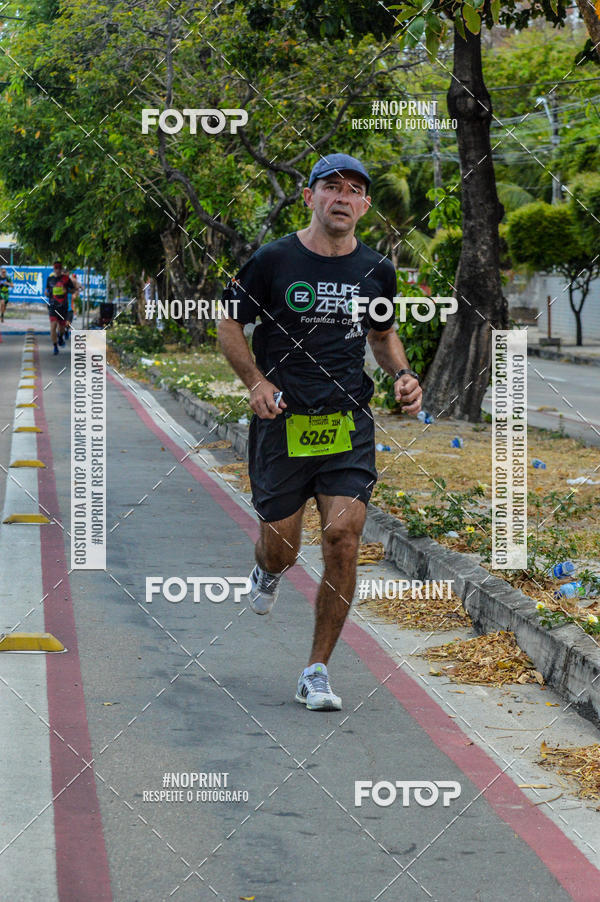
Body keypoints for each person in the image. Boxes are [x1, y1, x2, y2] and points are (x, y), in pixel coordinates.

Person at [218, 152, 422, 712]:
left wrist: (402, 375)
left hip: (347, 421)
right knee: (283, 547)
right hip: (282, 422)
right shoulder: (272, 260)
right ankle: (267, 567)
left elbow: (382, 337)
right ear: (309, 197)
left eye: (354, 190)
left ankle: (316, 670)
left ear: (365, 206)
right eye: (331, 187)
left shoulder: (377, 269)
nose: (343, 197)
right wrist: (255, 381)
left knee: (343, 538)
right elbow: (229, 322)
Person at [46, 260, 75, 354]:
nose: (58, 270)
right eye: (56, 268)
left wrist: (66, 290)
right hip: (52, 306)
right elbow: (46, 291)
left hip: (63, 307)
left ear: (61, 269)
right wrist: (46, 293)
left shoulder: (66, 279)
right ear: (54, 269)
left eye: (59, 268)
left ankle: (60, 337)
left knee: (61, 328)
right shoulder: (50, 279)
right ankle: (55, 346)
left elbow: (73, 290)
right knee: (53, 326)